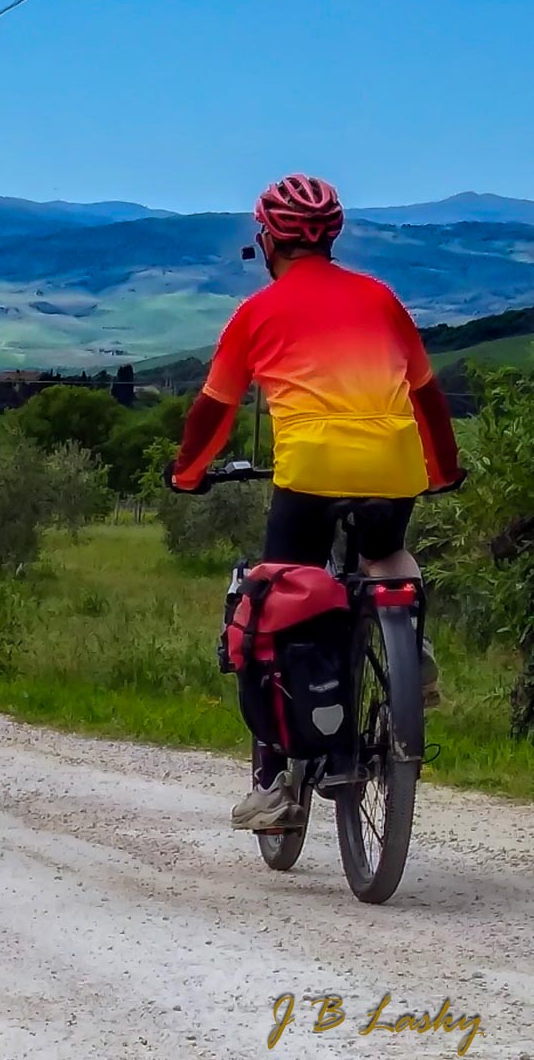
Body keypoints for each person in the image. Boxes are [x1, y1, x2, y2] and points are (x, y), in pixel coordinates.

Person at [166, 174, 464, 831]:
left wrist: (187, 474)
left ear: (267, 239)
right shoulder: (381, 299)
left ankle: (276, 785)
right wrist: (443, 469)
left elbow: (213, 410)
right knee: (385, 550)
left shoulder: (257, 313)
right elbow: (428, 398)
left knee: (276, 604)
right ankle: (411, 651)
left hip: (310, 475)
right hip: (394, 466)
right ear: (331, 234)